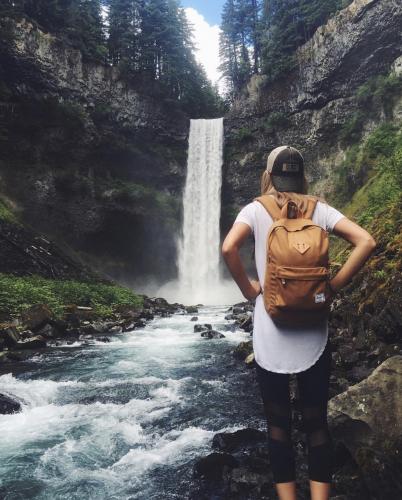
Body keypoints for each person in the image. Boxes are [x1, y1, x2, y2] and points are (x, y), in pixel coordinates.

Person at [221, 145, 376, 500]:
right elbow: (366, 241)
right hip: (313, 332)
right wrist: (332, 286)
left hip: (270, 334)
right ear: (302, 176)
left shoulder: (254, 209)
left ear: (269, 176)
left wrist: (250, 290)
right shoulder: (320, 208)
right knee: (316, 424)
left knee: (278, 427)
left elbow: (229, 248)